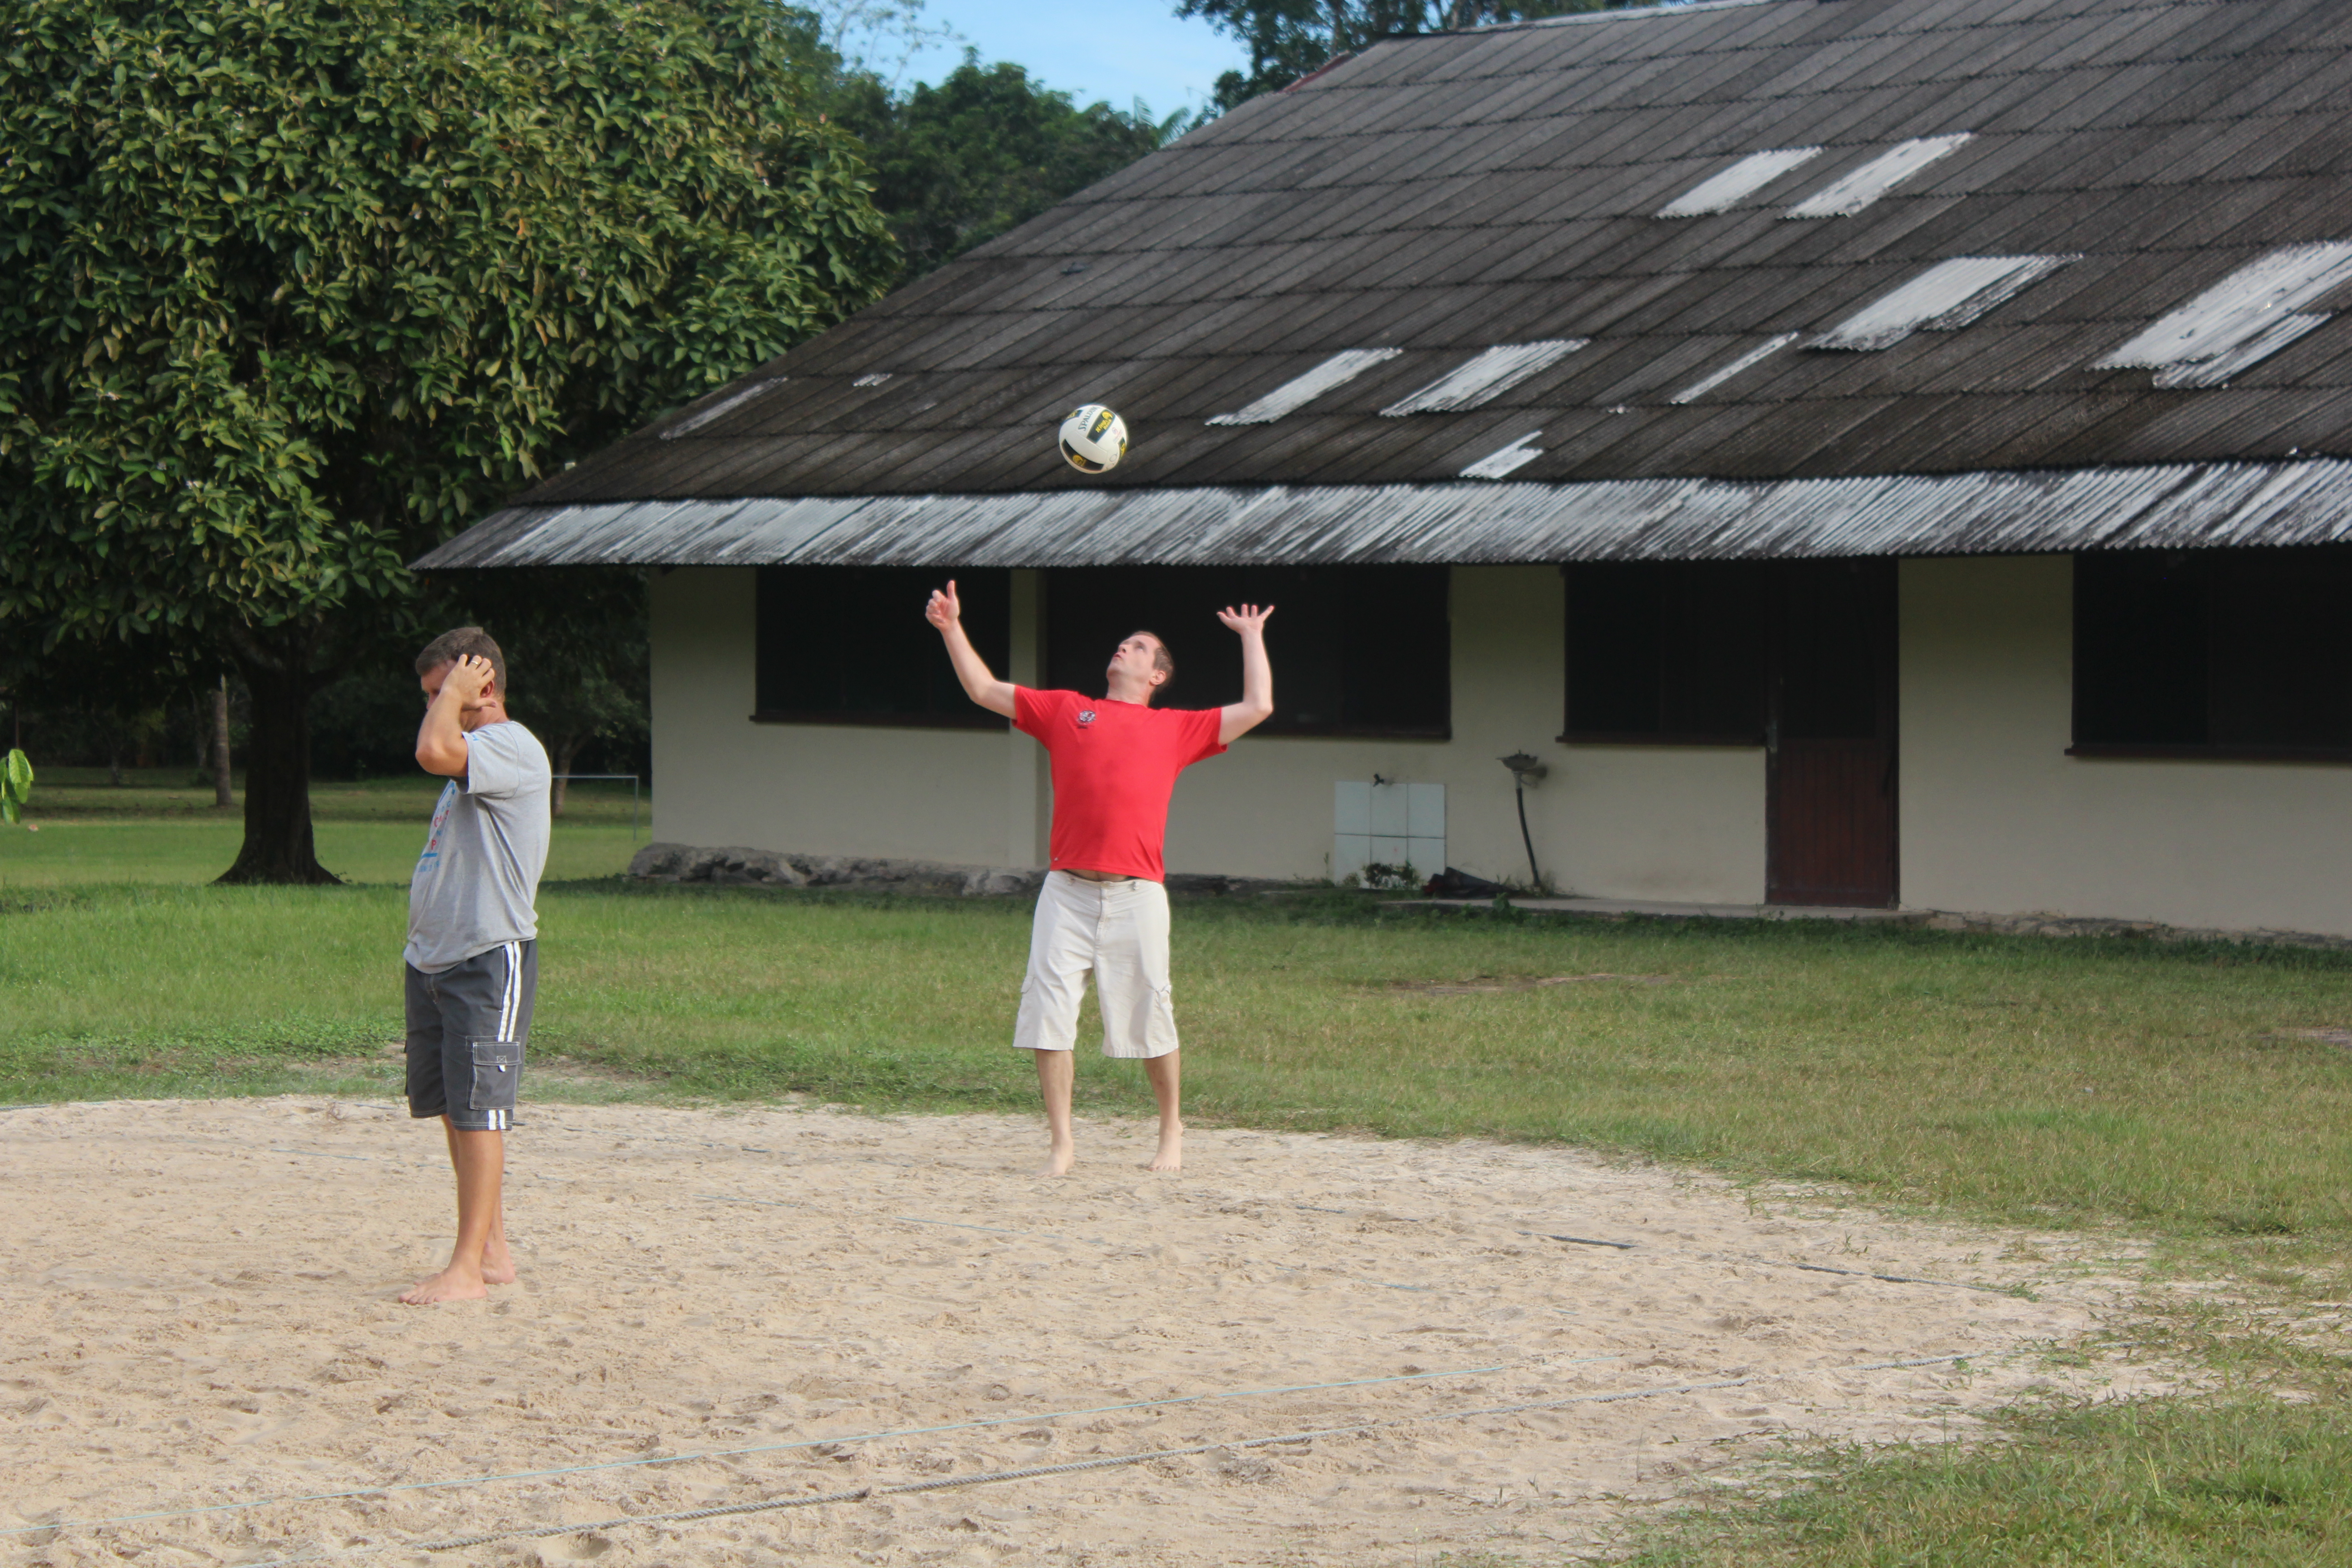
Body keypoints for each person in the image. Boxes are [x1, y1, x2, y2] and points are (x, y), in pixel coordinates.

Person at [926, 582, 1275, 1175]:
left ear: (1157, 675)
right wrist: (951, 627)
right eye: (1123, 643)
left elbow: (1258, 706)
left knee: (1150, 1015)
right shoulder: (1067, 710)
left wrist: (1252, 637)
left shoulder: (1176, 729)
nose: (1124, 649)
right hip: (1066, 891)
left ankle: (1171, 1130)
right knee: (1048, 1012)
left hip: (1136, 895)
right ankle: (1061, 1144)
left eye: (1138, 648)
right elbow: (985, 690)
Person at [399, 628, 552, 1304]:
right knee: (453, 1108)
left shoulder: (511, 746)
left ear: (483, 686)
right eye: (430, 696)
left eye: (444, 693)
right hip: (436, 958)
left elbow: (433, 750)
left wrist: (459, 697)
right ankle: (491, 1249)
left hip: (488, 956)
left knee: (481, 1111)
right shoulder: (475, 754)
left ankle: (466, 1269)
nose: (434, 706)